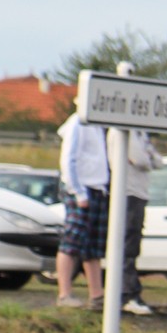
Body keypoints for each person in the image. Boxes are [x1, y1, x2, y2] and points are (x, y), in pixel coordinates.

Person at [55, 111, 111, 311]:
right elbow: (68, 159)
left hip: (97, 189)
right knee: (72, 242)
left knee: (93, 247)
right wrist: (78, 192)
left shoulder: (97, 125)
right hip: (82, 189)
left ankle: (97, 295)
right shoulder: (77, 123)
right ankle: (64, 294)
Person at [116, 130, 162, 316]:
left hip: (139, 193)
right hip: (128, 193)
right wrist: (147, 157)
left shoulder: (140, 134)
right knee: (127, 246)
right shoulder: (126, 132)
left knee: (133, 245)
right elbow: (141, 160)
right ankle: (127, 294)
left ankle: (131, 291)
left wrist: (147, 157)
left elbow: (158, 161)